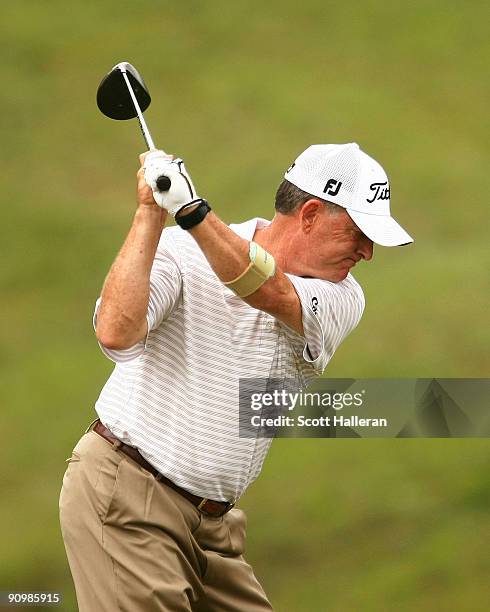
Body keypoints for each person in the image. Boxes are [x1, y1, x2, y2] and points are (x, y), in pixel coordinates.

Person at [59, 142, 412, 611]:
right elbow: (115, 333)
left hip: (215, 529)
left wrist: (192, 211)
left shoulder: (343, 298)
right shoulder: (181, 250)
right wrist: (151, 211)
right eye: (358, 233)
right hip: (129, 494)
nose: (367, 252)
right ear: (309, 215)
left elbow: (264, 288)